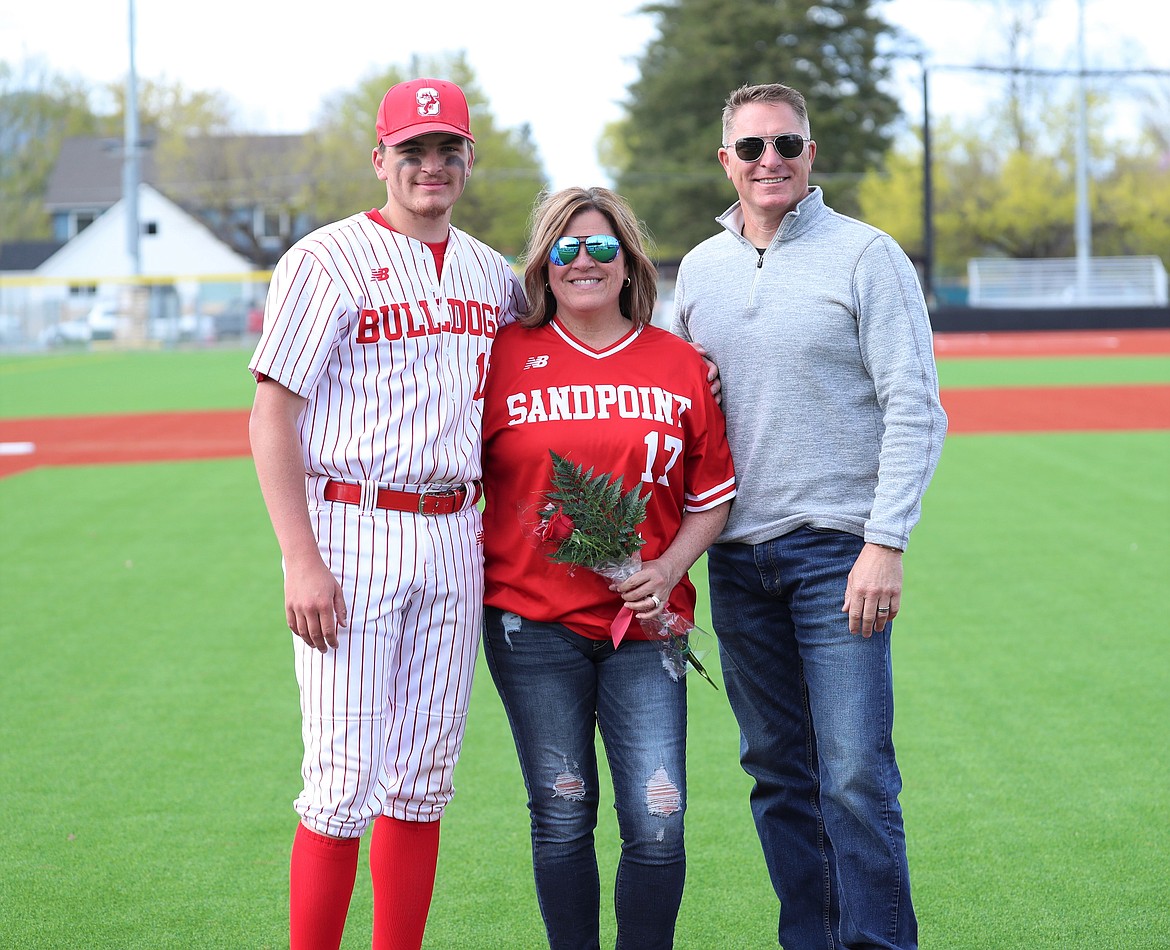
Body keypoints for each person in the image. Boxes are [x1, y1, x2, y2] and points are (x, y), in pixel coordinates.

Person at [247, 77, 525, 950]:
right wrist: (300, 557)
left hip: (456, 536)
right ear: (381, 160)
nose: (431, 167)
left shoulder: (492, 274)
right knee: (339, 782)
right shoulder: (323, 260)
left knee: (423, 780)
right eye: (413, 152)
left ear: (469, 161)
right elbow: (272, 414)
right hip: (351, 528)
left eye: (448, 151)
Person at [672, 83, 948, 950]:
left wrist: (884, 542)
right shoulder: (699, 271)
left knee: (858, 776)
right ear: (727, 162)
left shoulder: (867, 257)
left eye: (786, 144)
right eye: (751, 149)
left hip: (839, 556)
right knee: (777, 775)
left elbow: (916, 407)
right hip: (738, 559)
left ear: (810, 153)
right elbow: (677, 404)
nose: (770, 162)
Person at [479, 186, 737, 950]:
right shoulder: (498, 358)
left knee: (658, 822)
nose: (583, 261)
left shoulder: (681, 364)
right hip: (531, 626)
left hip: (648, 628)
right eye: (565, 249)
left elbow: (712, 497)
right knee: (561, 816)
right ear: (543, 266)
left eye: (600, 247)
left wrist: (668, 567)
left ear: (629, 262)